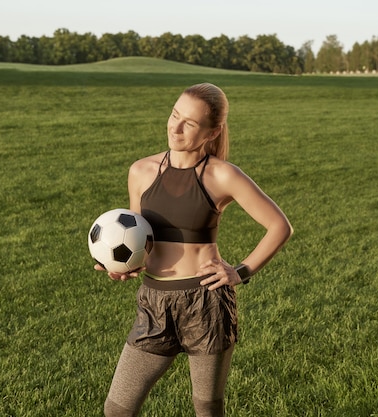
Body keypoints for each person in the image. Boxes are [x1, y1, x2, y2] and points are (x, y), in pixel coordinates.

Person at [97, 82, 293, 417]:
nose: (175, 126)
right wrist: (125, 267)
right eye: (174, 115)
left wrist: (240, 271)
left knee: (207, 411)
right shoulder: (141, 171)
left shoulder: (222, 176)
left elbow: (280, 227)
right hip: (154, 304)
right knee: (117, 409)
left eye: (189, 123)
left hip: (206, 303)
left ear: (212, 132)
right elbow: (139, 240)